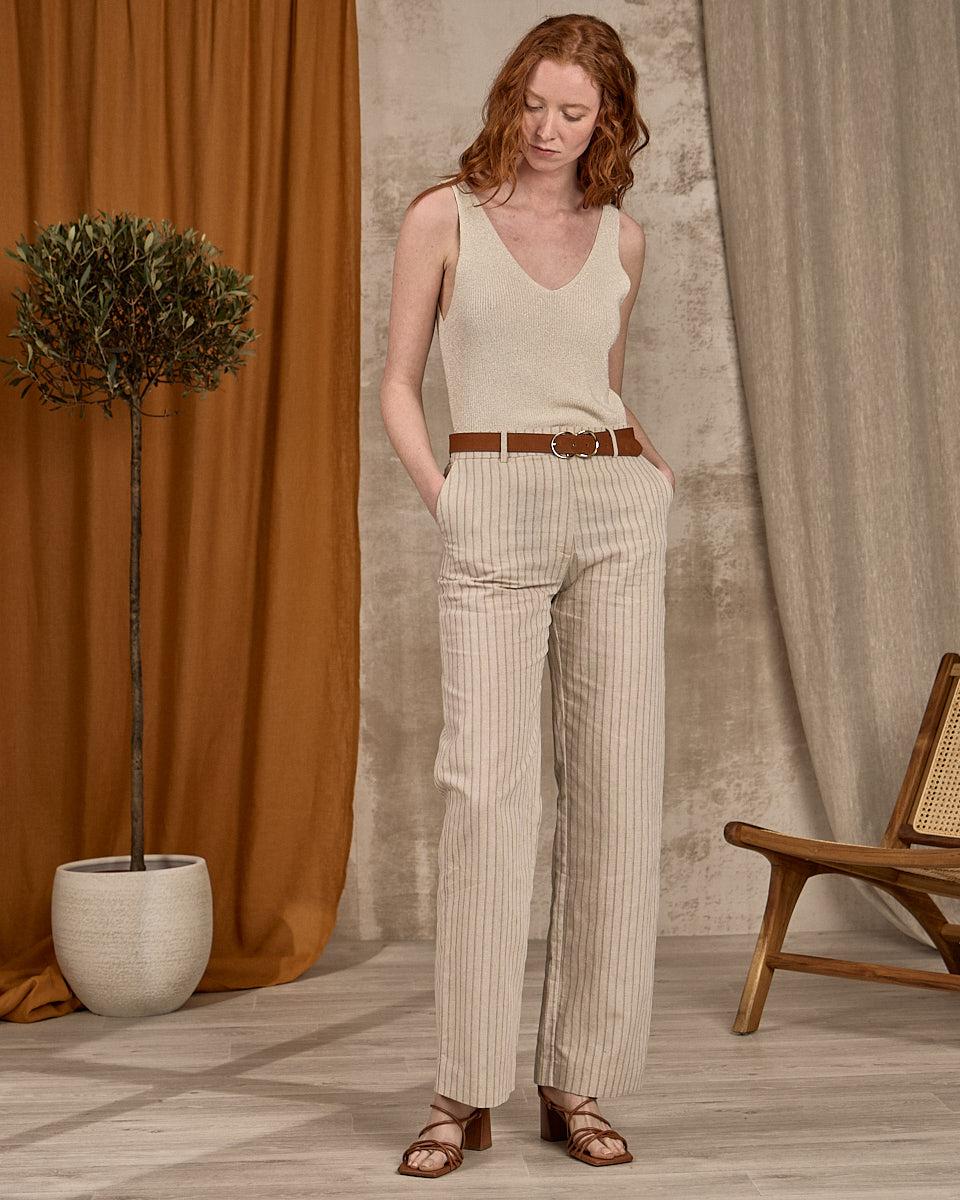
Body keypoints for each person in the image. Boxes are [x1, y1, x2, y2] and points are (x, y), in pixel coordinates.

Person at [379, 12, 674, 1178]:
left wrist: (652, 475)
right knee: (485, 797)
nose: (549, 129)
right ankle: (462, 1088)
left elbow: (604, 383)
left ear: (608, 121)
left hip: (614, 509)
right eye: (536, 103)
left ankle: (577, 1077)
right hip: (491, 502)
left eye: (576, 112)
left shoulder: (622, 240)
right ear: (510, 96)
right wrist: (448, 497)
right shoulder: (442, 218)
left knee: (613, 796)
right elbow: (398, 384)